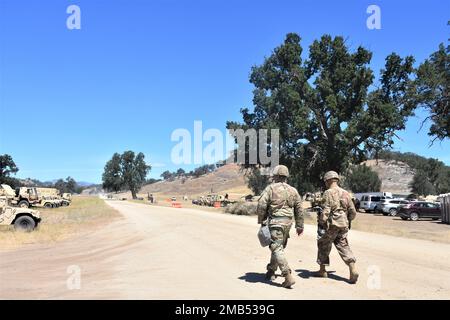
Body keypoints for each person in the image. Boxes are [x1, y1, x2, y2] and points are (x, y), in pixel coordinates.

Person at [257, 165, 304, 288]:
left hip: (276, 222)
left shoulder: (271, 188)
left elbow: (262, 204)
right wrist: (299, 226)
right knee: (278, 247)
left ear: (276, 176)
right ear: (286, 176)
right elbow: (299, 208)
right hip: (288, 223)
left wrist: (261, 220)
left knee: (276, 247)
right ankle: (271, 271)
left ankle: (287, 275)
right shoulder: (293, 190)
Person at [314, 171, 359, 284]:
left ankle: (322, 270)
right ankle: (352, 267)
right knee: (343, 245)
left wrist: (322, 222)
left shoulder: (328, 193)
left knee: (323, 244)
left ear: (328, 181)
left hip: (332, 224)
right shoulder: (346, 193)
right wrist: (348, 220)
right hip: (343, 224)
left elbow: (326, 210)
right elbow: (353, 212)